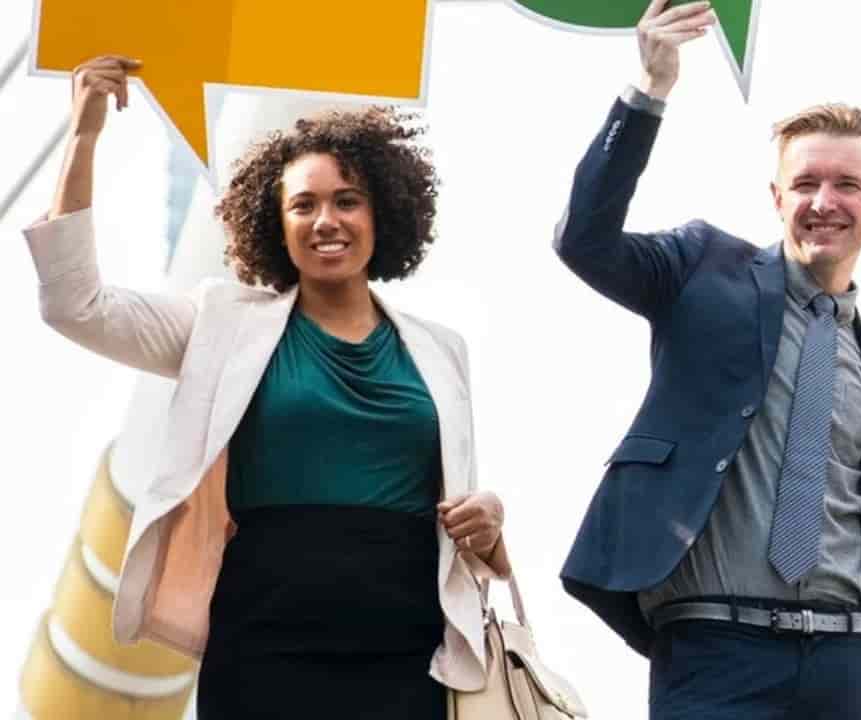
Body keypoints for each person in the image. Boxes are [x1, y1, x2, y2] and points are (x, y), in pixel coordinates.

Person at [23, 55, 509, 719]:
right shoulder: (223, 326)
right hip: (264, 644)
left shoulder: (439, 351)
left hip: (408, 651)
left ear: (383, 212)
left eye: (347, 200)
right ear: (273, 224)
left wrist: (488, 517)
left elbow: (458, 514)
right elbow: (74, 305)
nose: (326, 220)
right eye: (301, 205)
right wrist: (83, 137)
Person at [550, 3, 861, 718]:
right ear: (777, 198)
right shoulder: (702, 268)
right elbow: (585, 240)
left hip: (843, 662)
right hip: (716, 655)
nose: (823, 201)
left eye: (845, 185)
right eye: (805, 184)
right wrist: (649, 89)